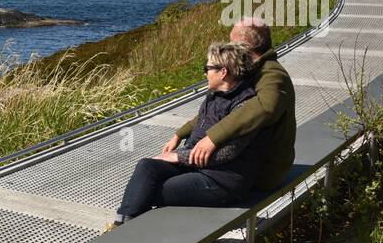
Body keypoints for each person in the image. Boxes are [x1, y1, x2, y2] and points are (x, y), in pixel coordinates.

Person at [108, 42, 269, 226]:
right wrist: (178, 137)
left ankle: (122, 229)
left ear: (222, 72)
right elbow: (199, 120)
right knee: (146, 167)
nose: (205, 72)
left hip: (222, 180)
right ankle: (124, 224)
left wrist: (177, 156)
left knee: (148, 191)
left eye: (207, 68)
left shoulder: (245, 105)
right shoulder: (214, 95)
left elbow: (225, 154)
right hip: (196, 165)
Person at [164, 17, 296, 194]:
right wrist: (180, 133)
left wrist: (212, 138)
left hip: (262, 170)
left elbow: (264, 108)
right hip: (242, 161)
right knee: (163, 172)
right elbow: (216, 110)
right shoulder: (253, 70)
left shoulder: (272, 74)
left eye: (231, 42)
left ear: (244, 45)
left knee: (168, 183)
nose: (228, 47)